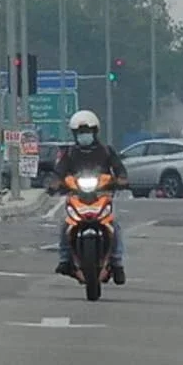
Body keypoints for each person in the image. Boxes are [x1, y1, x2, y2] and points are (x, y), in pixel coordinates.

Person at [52, 109, 129, 285]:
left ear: (95, 132)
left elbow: (119, 169)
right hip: (77, 196)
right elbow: (59, 171)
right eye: (80, 133)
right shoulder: (70, 153)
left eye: (86, 132)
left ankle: (117, 263)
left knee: (114, 226)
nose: (83, 136)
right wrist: (55, 182)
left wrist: (121, 179)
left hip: (101, 196)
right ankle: (64, 259)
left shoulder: (106, 151)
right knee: (65, 225)